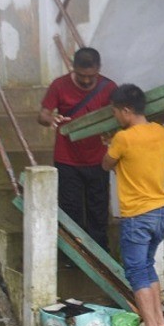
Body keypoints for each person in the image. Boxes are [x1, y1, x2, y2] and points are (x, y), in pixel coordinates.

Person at [101, 84, 164, 326]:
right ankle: (159, 322)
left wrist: (108, 145)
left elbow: (106, 164)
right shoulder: (161, 132)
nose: (115, 117)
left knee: (136, 271)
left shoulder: (123, 138)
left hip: (137, 215)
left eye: (115, 112)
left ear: (126, 111)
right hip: (161, 211)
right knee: (147, 266)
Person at [38, 48, 117, 252]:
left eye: (91, 76)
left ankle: (100, 253)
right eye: (81, 76)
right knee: (70, 209)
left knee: (98, 210)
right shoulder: (59, 85)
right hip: (67, 159)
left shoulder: (109, 88)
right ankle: (73, 255)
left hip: (98, 159)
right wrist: (52, 119)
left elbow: (119, 118)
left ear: (98, 69)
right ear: (73, 68)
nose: (86, 81)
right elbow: (43, 115)